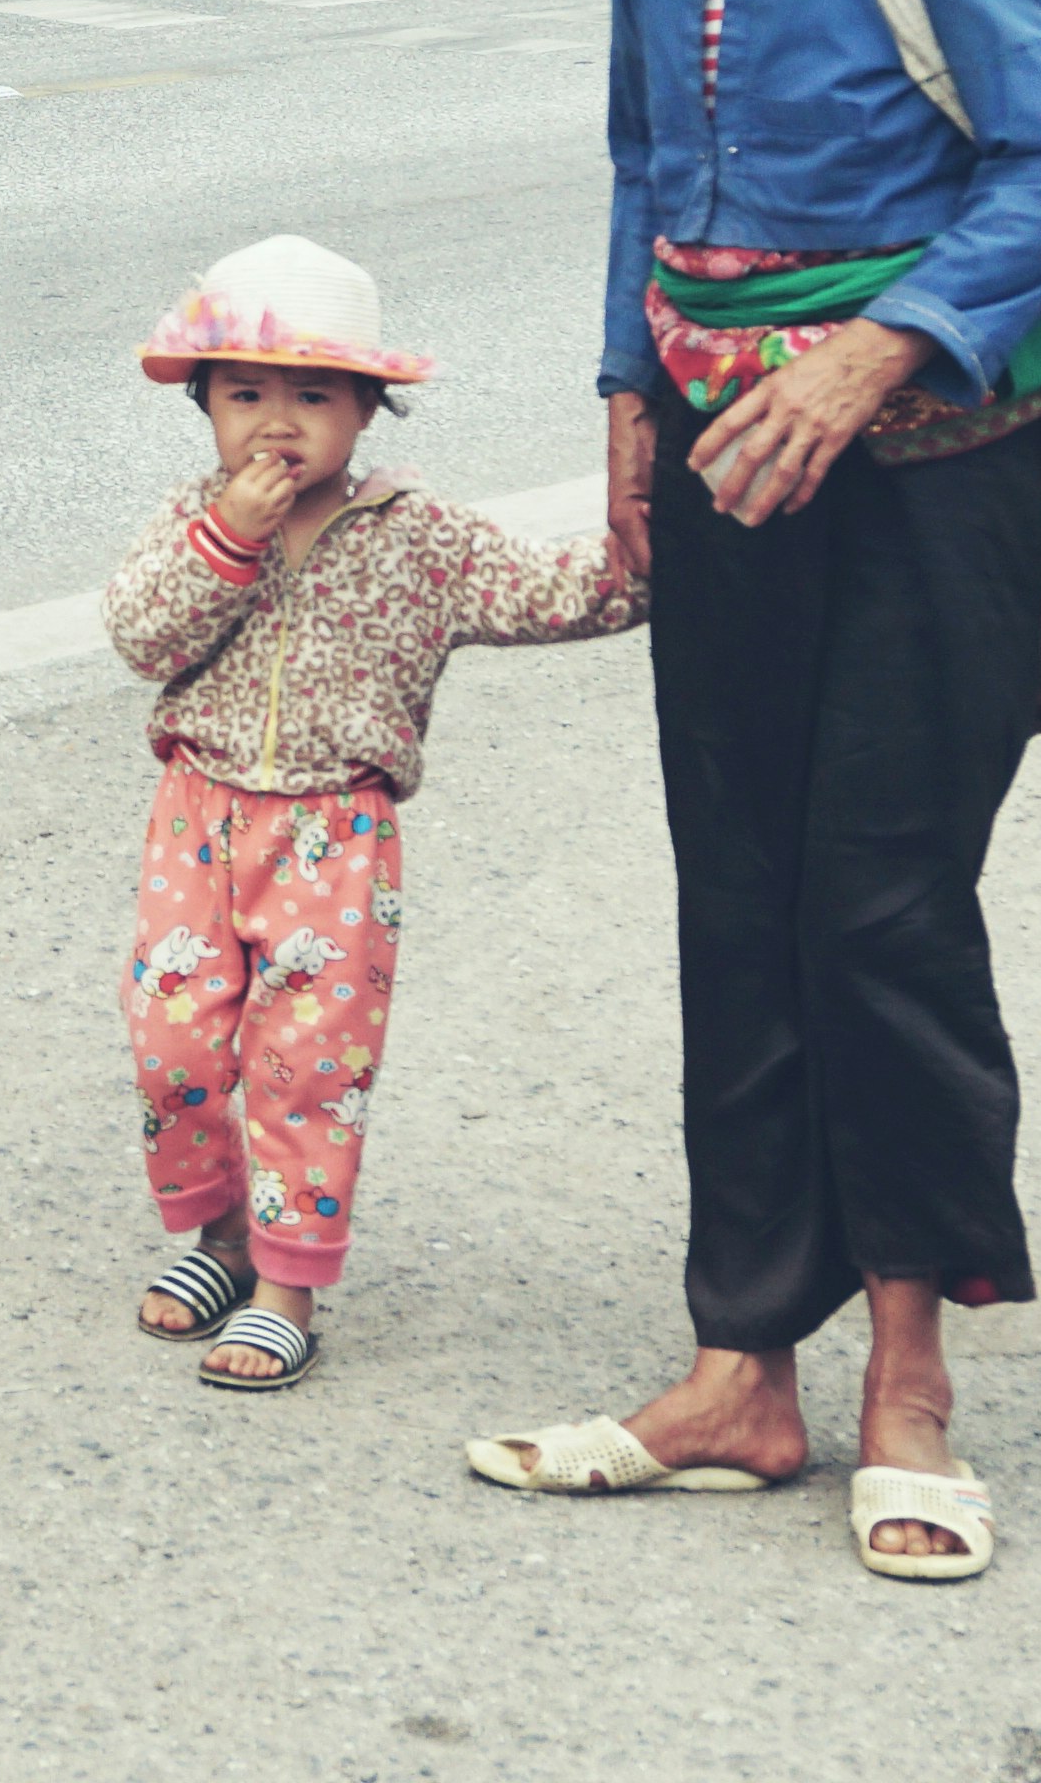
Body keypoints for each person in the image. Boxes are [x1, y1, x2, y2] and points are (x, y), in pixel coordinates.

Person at [461, 0, 1041, 1586]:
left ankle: (908, 1384)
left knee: (883, 905)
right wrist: (625, 399)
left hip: (931, 463)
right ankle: (743, 1362)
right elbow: (645, 159)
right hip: (722, 458)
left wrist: (864, 355)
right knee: (736, 894)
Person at [98, 234, 638, 1396]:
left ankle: (287, 1284)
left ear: (370, 409)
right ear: (203, 406)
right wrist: (231, 539)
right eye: (244, 394)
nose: (275, 422)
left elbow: (555, 591)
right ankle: (222, 1234)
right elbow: (142, 635)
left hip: (335, 836)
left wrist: (662, 550)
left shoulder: (419, 536)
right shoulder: (194, 519)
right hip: (197, 814)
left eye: (313, 395)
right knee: (175, 1050)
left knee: (305, 1067)